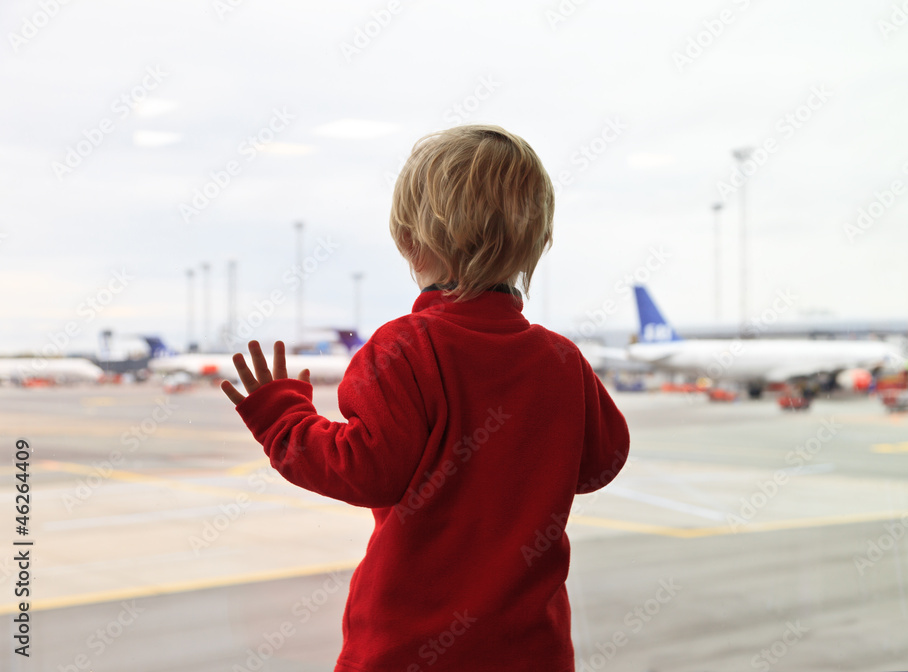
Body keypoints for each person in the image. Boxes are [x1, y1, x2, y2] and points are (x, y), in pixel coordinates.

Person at [221, 124, 629, 671]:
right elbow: (602, 460)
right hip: (533, 650)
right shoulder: (560, 359)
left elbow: (365, 469)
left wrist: (282, 417)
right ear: (536, 241)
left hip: (410, 650)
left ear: (410, 242)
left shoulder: (405, 348)